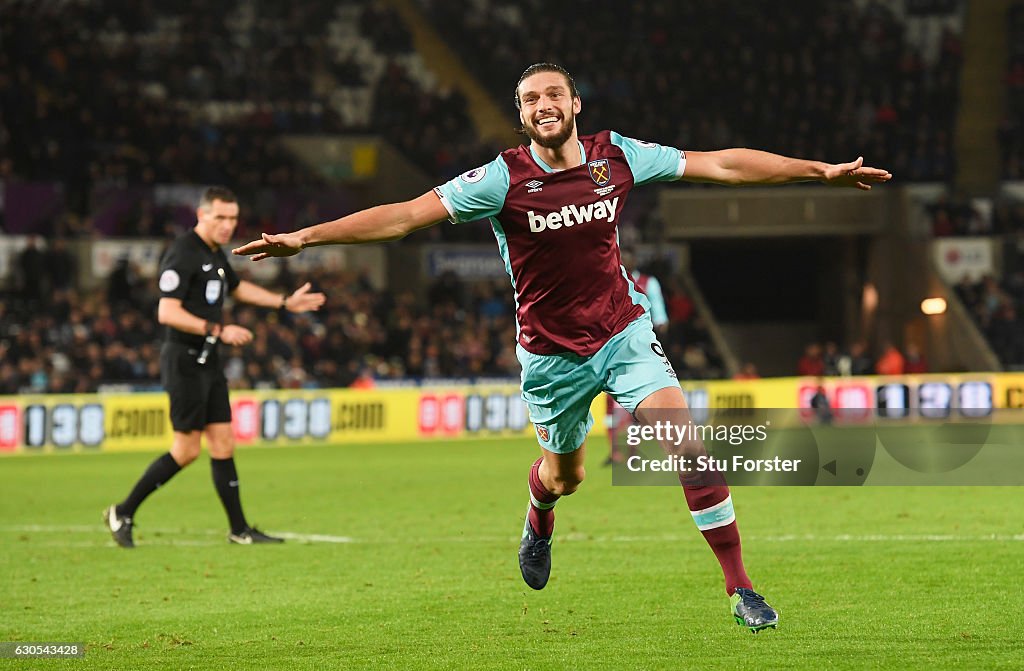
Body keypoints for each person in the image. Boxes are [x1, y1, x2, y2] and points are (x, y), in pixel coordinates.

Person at [233, 63, 890, 631]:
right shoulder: (500, 179)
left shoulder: (618, 156)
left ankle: (740, 585)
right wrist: (306, 237)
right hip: (551, 356)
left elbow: (717, 164)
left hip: (622, 331)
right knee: (564, 475)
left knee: (685, 442)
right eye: (529, 100)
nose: (543, 105)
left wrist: (816, 171)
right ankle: (539, 513)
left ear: (576, 104)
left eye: (554, 94)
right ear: (521, 116)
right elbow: (404, 216)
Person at [104, 186, 325, 548]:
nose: (227, 225)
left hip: (208, 361)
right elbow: (167, 312)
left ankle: (239, 530)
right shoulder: (182, 253)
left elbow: (238, 290)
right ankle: (122, 511)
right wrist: (218, 329)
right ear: (201, 215)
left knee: (223, 442)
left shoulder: (215, 254)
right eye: (220, 217)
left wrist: (284, 303)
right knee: (187, 450)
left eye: (233, 218)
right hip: (184, 360)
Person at [604, 247, 668, 466]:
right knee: (612, 406)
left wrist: (653, 331)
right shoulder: (607, 279)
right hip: (612, 348)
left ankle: (633, 450)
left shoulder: (649, 283)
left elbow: (661, 318)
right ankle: (615, 451)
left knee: (639, 405)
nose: (624, 260)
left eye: (627, 257)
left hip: (641, 349)